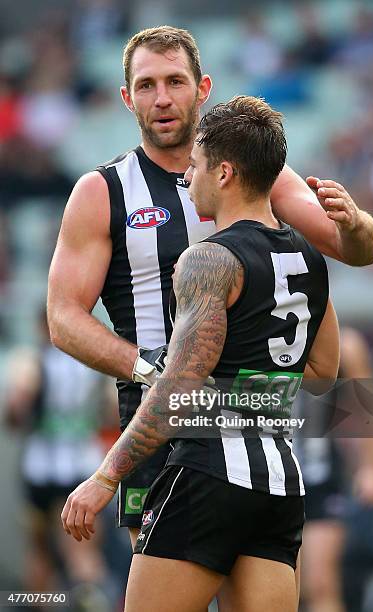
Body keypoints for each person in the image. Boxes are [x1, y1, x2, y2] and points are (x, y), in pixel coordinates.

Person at [48, 26, 373, 545]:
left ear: (202, 88)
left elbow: (352, 250)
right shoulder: (103, 191)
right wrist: (148, 367)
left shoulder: (254, 173)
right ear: (126, 97)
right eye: (146, 85)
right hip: (159, 420)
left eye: (175, 81)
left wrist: (356, 223)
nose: (162, 98)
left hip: (251, 415)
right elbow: (63, 318)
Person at [61, 94, 340, 612]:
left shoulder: (208, 258)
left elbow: (178, 386)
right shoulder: (308, 257)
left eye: (196, 167)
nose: (188, 179)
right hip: (279, 478)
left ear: (226, 173)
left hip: (210, 472)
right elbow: (323, 372)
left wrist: (103, 479)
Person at [3, 310, 113, 608]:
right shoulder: (94, 362)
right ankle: (90, 598)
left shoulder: (32, 360)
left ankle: (46, 602)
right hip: (83, 467)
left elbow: (15, 410)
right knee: (83, 553)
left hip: (40, 468)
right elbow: (112, 410)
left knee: (40, 552)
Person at [295, 328, 373, 612]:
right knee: (277, 586)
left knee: (320, 583)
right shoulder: (256, 328)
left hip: (318, 473)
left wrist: (372, 468)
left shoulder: (344, 343)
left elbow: (369, 408)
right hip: (262, 472)